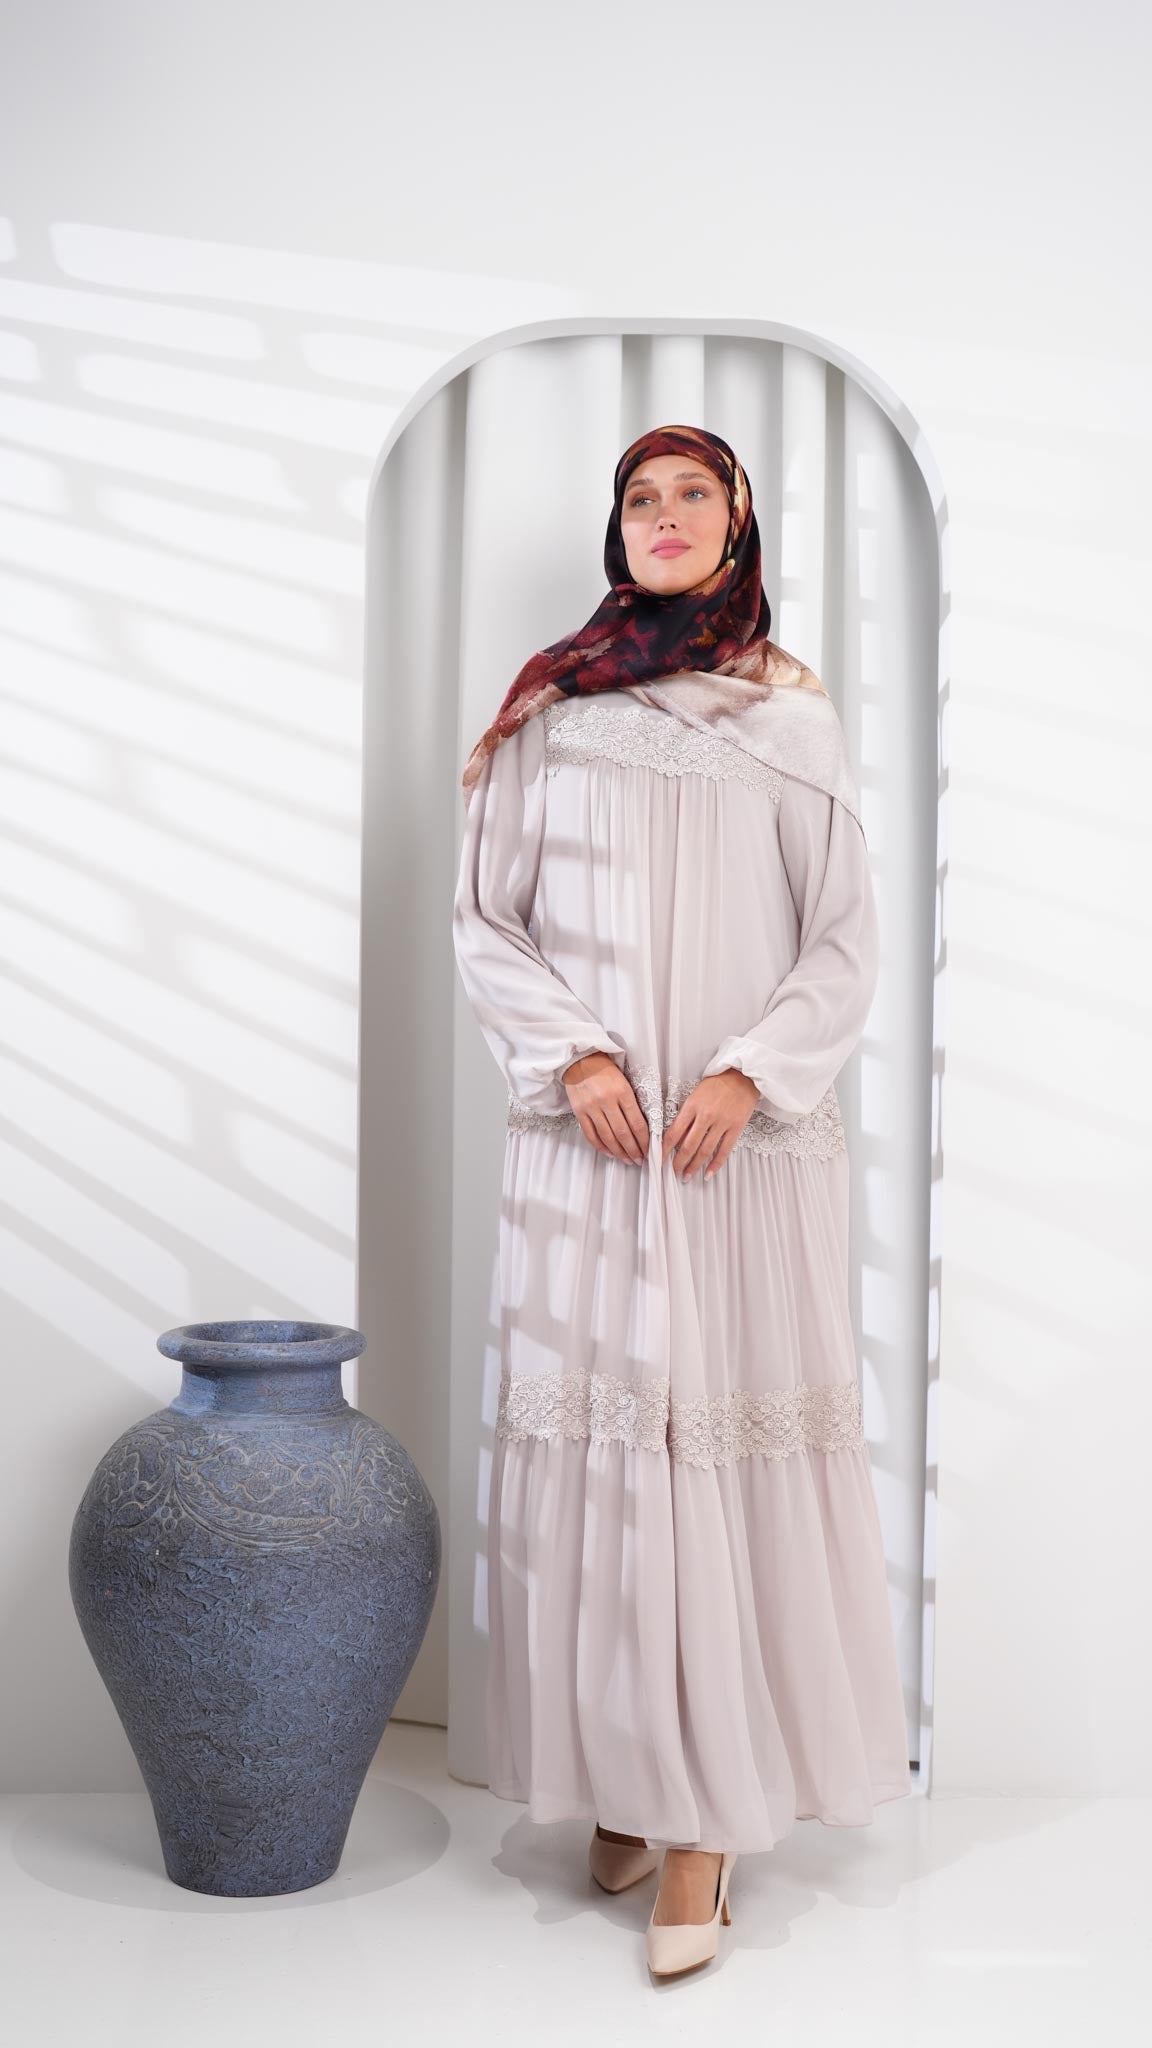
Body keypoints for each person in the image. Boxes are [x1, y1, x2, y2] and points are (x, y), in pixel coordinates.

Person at [452, 423, 911, 1980]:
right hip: (589, 1147)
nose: (663, 517)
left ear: (738, 521)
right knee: (607, 1463)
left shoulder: (788, 712)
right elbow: (486, 917)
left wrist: (749, 1073)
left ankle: (705, 1827)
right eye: (639, 498)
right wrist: (574, 1053)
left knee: (714, 1450)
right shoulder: (555, 706)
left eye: (690, 495)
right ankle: (627, 1775)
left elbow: (842, 938)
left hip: (732, 1154)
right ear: (618, 530)